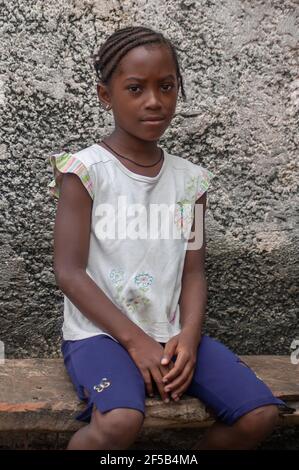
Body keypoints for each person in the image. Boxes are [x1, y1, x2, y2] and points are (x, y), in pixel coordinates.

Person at [48, 26, 285, 450]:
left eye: (166, 86)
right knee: (120, 422)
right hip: (99, 335)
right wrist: (135, 340)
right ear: (106, 96)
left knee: (259, 414)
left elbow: (193, 272)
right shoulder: (85, 172)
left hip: (171, 335)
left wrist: (189, 337)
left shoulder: (190, 181)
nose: (154, 101)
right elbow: (69, 272)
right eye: (136, 88)